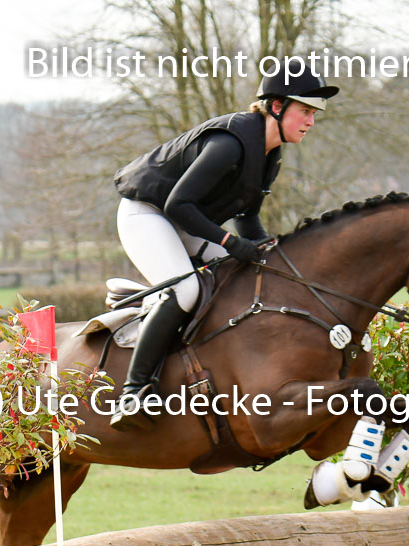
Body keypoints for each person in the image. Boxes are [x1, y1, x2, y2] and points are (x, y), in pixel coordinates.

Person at [109, 67, 339, 431]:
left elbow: (247, 218)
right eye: (306, 111)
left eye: (314, 114)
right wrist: (231, 243)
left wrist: (272, 254)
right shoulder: (230, 143)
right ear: (276, 107)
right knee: (185, 290)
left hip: (184, 221)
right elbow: (178, 205)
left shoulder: (270, 155)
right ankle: (133, 393)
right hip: (148, 213)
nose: (311, 121)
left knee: (246, 277)